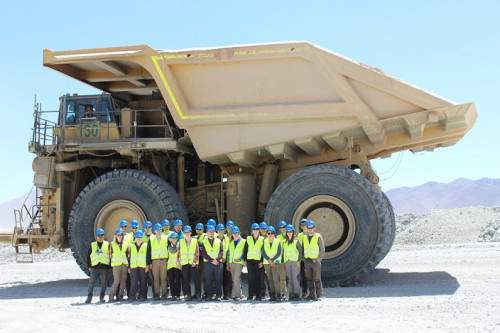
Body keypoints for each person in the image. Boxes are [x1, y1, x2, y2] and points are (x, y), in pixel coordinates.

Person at [85, 228, 110, 303]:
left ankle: (102, 297)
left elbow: (110, 256)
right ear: (96, 236)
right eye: (99, 235)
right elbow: (88, 256)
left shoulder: (107, 244)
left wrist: (109, 266)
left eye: (101, 235)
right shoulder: (92, 245)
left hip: (104, 267)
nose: (100, 237)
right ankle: (89, 297)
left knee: (103, 283)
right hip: (95, 267)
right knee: (91, 282)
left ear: (104, 236)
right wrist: (89, 266)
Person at [302, 220, 325, 301]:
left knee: (317, 279)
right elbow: (302, 248)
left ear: (314, 228)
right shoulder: (304, 237)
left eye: (312, 228)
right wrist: (304, 259)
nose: (310, 229)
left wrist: (319, 260)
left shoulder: (318, 237)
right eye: (309, 228)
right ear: (307, 228)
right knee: (309, 279)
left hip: (315, 262)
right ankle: (312, 295)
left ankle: (319, 295)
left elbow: (322, 249)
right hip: (307, 262)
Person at [201, 225, 223, 301]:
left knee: (218, 279)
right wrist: (211, 260)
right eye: (209, 231)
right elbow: (203, 253)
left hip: (217, 263)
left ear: (214, 232)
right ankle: (209, 295)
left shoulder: (218, 241)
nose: (211, 233)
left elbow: (221, 251)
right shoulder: (204, 242)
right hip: (208, 263)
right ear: (207, 232)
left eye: (212, 231)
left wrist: (217, 260)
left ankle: (218, 295)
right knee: (208, 280)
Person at [180, 225, 202, 301]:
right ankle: (188, 294)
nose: (186, 233)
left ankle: (198, 294)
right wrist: (179, 263)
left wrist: (195, 262)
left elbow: (197, 252)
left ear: (190, 233)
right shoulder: (181, 242)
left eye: (188, 232)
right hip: (184, 263)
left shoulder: (195, 241)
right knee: (186, 280)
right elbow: (179, 253)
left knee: (196, 279)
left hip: (193, 263)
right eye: (185, 232)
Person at [148, 223, 169, 300]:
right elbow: (149, 252)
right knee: (155, 279)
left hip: (163, 260)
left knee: (164, 278)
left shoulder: (166, 238)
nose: (159, 231)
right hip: (155, 261)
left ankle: (164, 294)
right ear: (154, 231)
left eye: (160, 229)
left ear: (161, 230)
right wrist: (149, 262)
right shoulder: (151, 239)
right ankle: (156, 294)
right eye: (157, 230)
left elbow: (168, 249)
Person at [262, 226, 283, 302]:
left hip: (275, 263)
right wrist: (269, 260)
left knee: (275, 279)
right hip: (267, 263)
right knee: (270, 279)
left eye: (271, 233)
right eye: (268, 233)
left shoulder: (278, 241)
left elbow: (279, 252)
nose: (270, 234)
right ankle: (272, 296)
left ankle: (278, 296)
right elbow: (263, 252)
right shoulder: (265, 241)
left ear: (274, 234)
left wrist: (272, 260)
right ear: (267, 234)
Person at [128, 230, 150, 302]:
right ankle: (132, 296)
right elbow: (129, 257)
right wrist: (129, 267)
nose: (138, 238)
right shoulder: (132, 246)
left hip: (142, 266)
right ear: (135, 237)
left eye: (140, 237)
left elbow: (148, 256)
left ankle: (142, 295)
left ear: (142, 237)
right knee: (133, 281)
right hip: (134, 266)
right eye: (137, 237)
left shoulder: (146, 245)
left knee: (143, 281)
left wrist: (147, 265)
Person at [244, 222, 264, 301]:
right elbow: (245, 250)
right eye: (254, 229)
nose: (255, 230)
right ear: (252, 230)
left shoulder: (262, 239)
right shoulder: (248, 238)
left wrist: (262, 261)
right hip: (250, 261)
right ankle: (250, 295)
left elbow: (263, 251)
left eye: (257, 229)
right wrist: (245, 260)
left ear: (259, 230)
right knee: (250, 278)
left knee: (258, 278)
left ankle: (258, 295)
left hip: (258, 261)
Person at [108, 228, 129, 302]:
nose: (120, 236)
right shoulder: (112, 244)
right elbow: (110, 255)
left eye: (121, 235)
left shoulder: (126, 244)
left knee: (123, 281)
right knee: (116, 281)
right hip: (116, 265)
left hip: (124, 265)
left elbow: (127, 254)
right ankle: (111, 296)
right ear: (116, 236)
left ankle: (120, 296)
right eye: (118, 235)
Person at [283, 224, 303, 301]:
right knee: (290, 279)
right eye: (288, 231)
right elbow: (284, 252)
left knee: (296, 279)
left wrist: (299, 261)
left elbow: (300, 251)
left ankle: (297, 295)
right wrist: (284, 262)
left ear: (293, 232)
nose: (289, 233)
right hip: (287, 262)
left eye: (291, 231)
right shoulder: (285, 242)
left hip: (295, 262)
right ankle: (291, 294)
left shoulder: (296, 241)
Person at [226, 226, 246, 301]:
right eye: (233, 233)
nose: (235, 234)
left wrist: (241, 259)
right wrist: (228, 263)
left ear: (239, 233)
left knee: (236, 277)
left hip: (239, 263)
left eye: (236, 232)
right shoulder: (231, 243)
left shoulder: (243, 241)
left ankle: (239, 295)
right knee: (234, 279)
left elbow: (245, 252)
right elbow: (228, 254)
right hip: (231, 263)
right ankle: (239, 294)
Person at [217, 223, 232, 300]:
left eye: (222, 230)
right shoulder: (215, 238)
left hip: (225, 260)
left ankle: (226, 295)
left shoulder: (227, 238)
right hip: (217, 261)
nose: (221, 231)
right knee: (218, 278)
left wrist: (227, 261)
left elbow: (228, 250)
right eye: (219, 230)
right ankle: (218, 295)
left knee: (226, 278)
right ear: (217, 230)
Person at [167, 232, 182, 300]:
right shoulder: (168, 247)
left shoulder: (180, 246)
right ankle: (173, 295)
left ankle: (178, 294)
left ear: (177, 239)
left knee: (178, 281)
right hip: (170, 266)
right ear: (170, 239)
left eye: (175, 238)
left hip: (177, 266)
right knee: (171, 281)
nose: (173, 239)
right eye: (172, 238)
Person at [276, 220, 288, 300]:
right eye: (281, 227)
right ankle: (283, 293)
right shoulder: (278, 238)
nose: (283, 229)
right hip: (282, 260)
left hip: (290, 259)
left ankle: (293, 293)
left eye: (284, 227)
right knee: (282, 278)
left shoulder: (291, 236)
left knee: (292, 277)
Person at [297, 218, 309, 299]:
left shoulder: (311, 234)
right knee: (303, 276)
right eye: (302, 224)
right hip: (302, 259)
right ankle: (304, 292)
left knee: (311, 276)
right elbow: (299, 247)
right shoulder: (299, 236)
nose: (304, 225)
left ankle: (312, 293)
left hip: (309, 258)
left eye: (305, 224)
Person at [259, 221, 270, 298]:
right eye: (262, 228)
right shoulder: (258, 238)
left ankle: (271, 292)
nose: (263, 230)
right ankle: (263, 293)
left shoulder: (269, 237)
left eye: (264, 229)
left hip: (268, 260)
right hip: (260, 261)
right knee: (261, 278)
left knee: (270, 278)